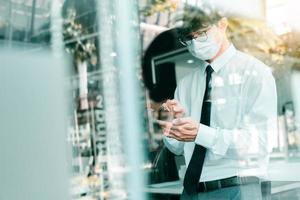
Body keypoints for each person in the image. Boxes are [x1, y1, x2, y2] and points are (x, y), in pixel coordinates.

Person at [157, 6, 277, 200]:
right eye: (189, 39)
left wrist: (201, 133)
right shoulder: (186, 84)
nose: (195, 44)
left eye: (202, 34)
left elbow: (260, 143)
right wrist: (172, 129)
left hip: (238, 186)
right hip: (191, 191)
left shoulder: (255, 73)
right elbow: (177, 149)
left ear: (222, 25)